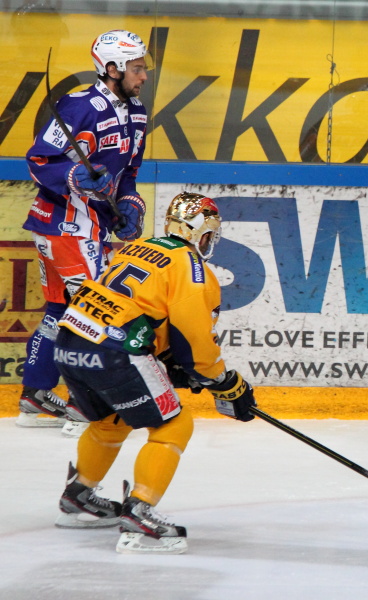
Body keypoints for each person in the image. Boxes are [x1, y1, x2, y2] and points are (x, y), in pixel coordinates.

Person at [51, 192, 256, 555]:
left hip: (71, 340)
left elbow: (139, 309)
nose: (210, 240)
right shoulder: (193, 269)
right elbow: (195, 344)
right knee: (174, 424)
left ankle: (79, 494)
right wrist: (226, 383)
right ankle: (140, 511)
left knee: (111, 420)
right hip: (116, 350)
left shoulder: (137, 247)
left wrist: (171, 361)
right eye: (209, 232)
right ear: (199, 231)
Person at [18, 30, 150, 436]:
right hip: (66, 226)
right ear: (111, 68)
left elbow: (128, 174)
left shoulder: (138, 113)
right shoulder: (77, 107)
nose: (144, 75)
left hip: (79, 227)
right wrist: (75, 174)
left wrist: (130, 205)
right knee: (97, 309)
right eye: (137, 67)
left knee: (61, 310)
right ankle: (86, 405)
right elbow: (39, 160)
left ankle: (35, 394)